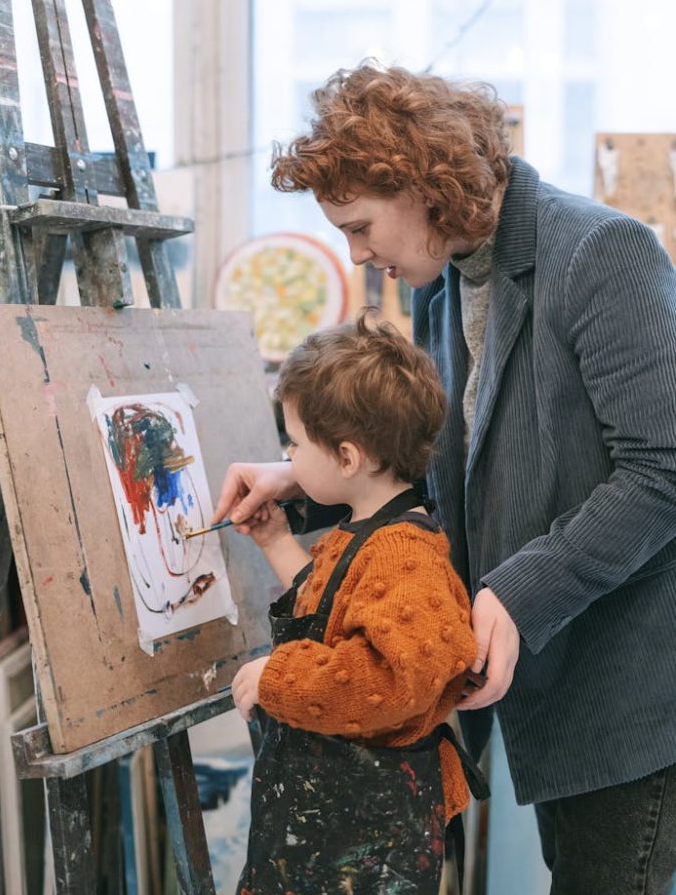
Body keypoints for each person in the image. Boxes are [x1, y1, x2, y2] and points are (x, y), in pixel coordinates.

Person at [215, 61, 676, 895]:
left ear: (424, 186)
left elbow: (665, 470)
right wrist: (299, 476)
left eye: (360, 226)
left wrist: (517, 590)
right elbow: (448, 485)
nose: (357, 254)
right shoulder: (445, 286)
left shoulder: (602, 253)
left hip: (630, 694)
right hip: (548, 691)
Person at [229, 309, 487, 895]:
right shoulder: (363, 533)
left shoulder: (405, 554)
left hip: (365, 845)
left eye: (293, 444)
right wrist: (275, 541)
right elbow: (329, 620)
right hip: (326, 830)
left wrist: (278, 679)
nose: (287, 459)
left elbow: (388, 679)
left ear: (347, 458)